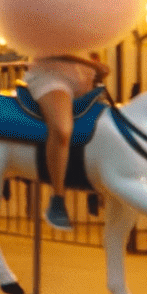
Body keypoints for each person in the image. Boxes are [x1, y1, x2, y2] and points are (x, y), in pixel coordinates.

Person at [25, 53, 110, 230]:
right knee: (62, 129)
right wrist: (89, 63)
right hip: (51, 77)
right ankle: (57, 199)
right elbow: (51, 47)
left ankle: (97, 186)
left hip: (81, 77)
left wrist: (93, 63)